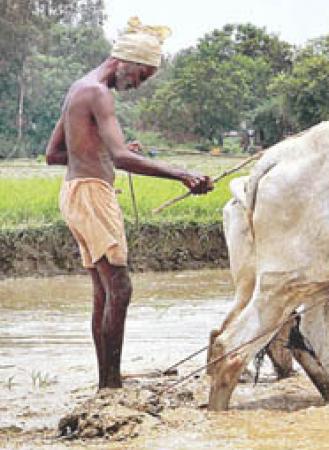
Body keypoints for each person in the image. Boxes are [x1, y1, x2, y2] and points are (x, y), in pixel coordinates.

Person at [45, 17, 213, 389]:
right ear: (125, 61)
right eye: (142, 76)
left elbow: (54, 154)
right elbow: (121, 158)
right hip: (92, 194)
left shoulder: (79, 88)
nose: (137, 84)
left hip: (75, 193)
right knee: (120, 288)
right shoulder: (100, 93)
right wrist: (182, 173)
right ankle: (111, 385)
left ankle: (107, 380)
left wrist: (99, 149)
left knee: (104, 291)